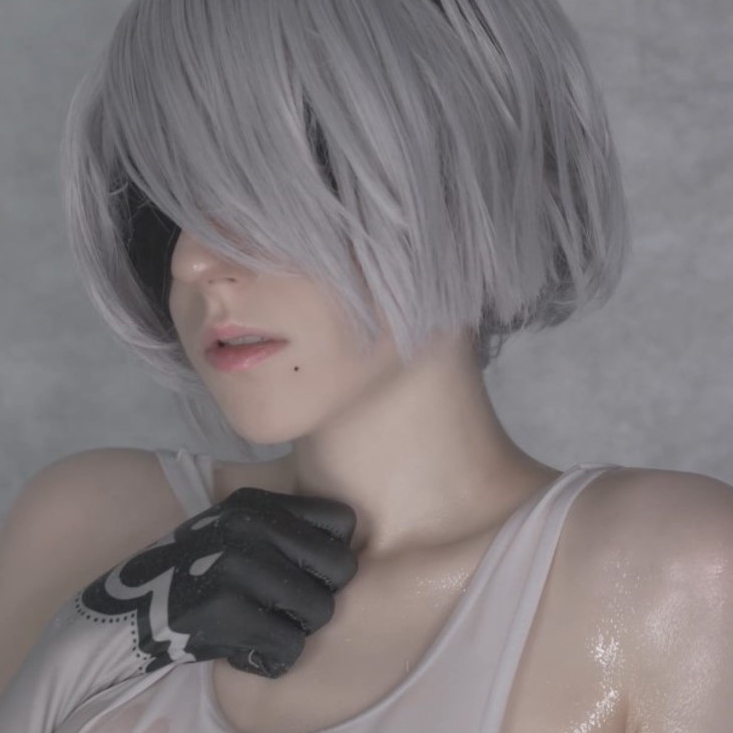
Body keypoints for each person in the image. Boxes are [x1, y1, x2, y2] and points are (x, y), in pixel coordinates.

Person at [0, 0, 731, 730]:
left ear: (458, 177)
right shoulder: (88, 523)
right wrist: (91, 642)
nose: (192, 261)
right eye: (166, 198)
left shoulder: (665, 576)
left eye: (261, 184)